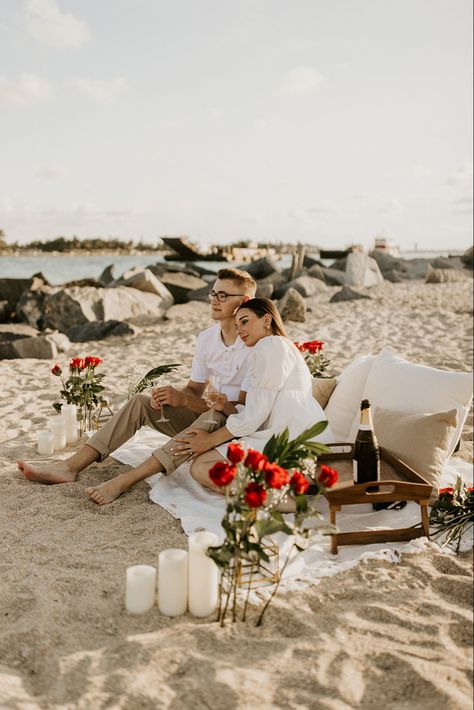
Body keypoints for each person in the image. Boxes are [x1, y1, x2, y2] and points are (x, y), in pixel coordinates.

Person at [17, 268, 257, 503]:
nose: (215, 300)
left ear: (245, 300)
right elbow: (194, 390)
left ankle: (125, 481)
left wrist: (184, 400)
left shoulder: (253, 344)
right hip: (207, 415)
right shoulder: (206, 338)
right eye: (213, 294)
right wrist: (171, 398)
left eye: (223, 296)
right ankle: (69, 466)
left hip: (236, 426)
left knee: (213, 414)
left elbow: (242, 410)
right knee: (140, 401)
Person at [172, 298, 334, 492]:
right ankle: (286, 489)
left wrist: (209, 440)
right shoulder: (281, 345)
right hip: (301, 432)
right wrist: (226, 407)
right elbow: (261, 406)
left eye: (245, 321)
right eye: (236, 324)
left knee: (200, 467)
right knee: (204, 465)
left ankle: (284, 502)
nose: (239, 329)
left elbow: (256, 414)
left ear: (267, 319)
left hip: (291, 434)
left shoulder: (270, 345)